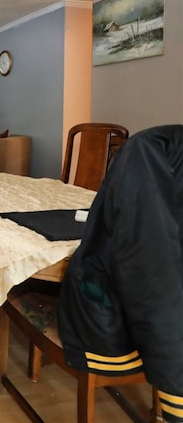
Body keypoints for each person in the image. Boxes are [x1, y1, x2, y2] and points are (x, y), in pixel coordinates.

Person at [58, 124, 183, 423]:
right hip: (125, 313)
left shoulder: (152, 150)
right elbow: (152, 273)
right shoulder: (153, 150)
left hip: (130, 313)